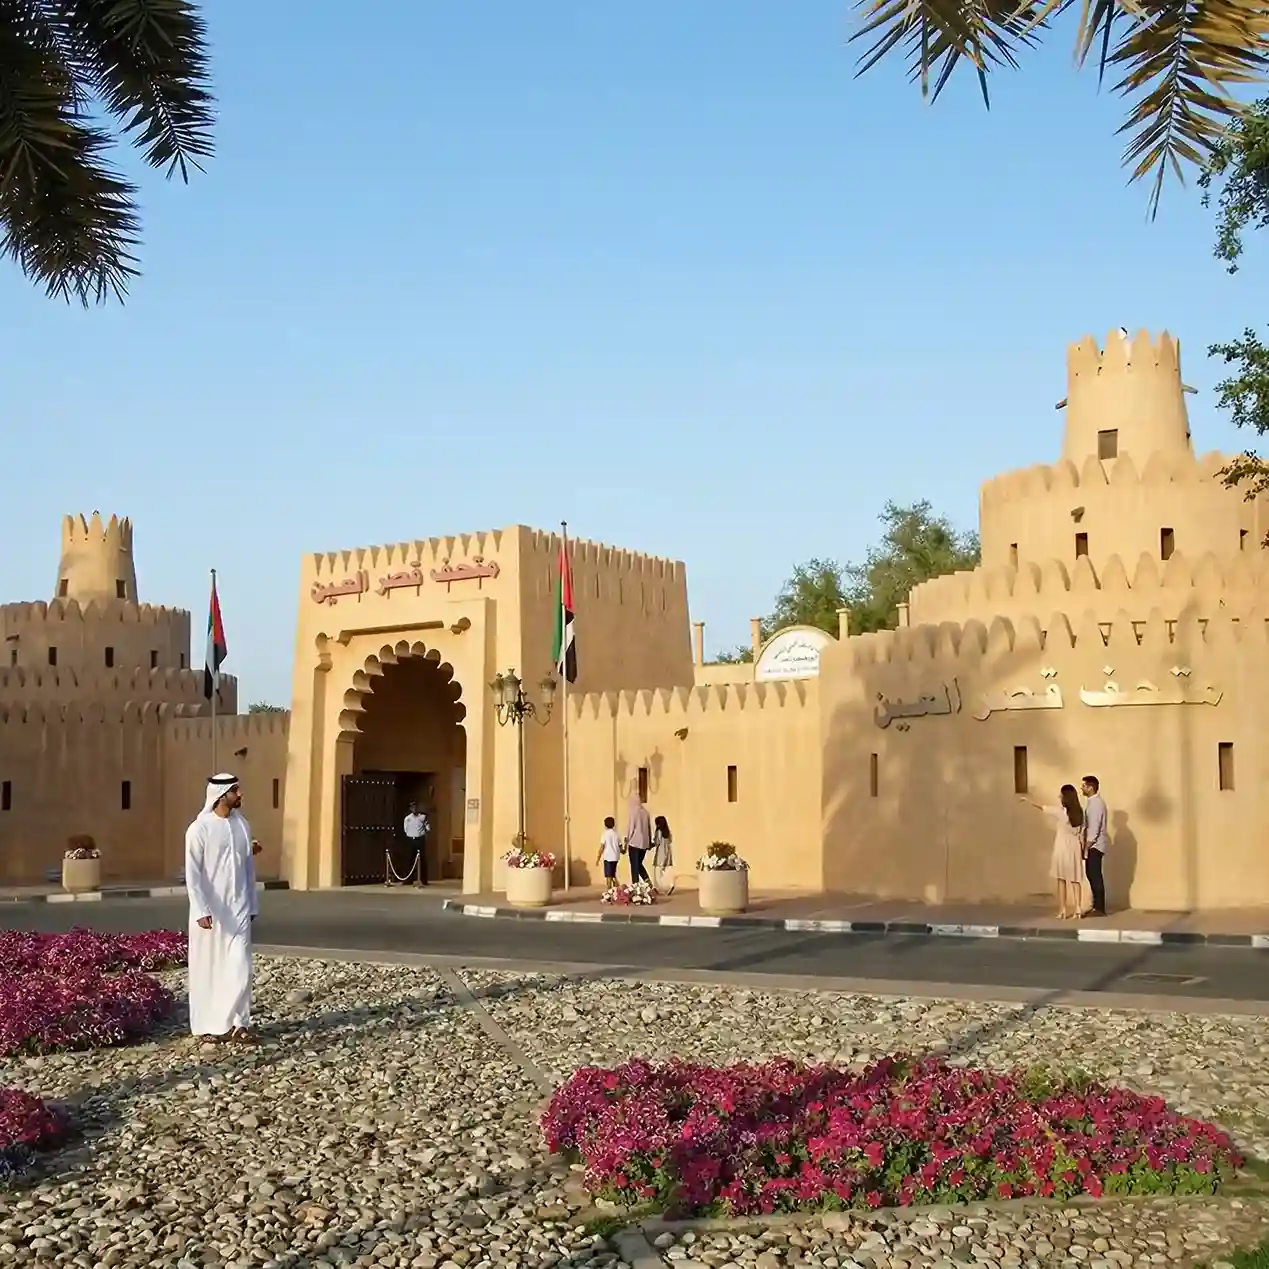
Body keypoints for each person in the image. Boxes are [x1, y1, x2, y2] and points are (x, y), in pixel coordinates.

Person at [185, 773, 259, 1045]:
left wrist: (252, 902)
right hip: (211, 913)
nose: (240, 795)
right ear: (221, 794)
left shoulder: (243, 826)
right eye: (235, 790)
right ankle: (210, 1025)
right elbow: (193, 874)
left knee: (242, 966)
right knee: (210, 968)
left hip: (239, 909)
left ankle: (238, 1022)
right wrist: (201, 909)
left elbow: (248, 869)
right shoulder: (199, 828)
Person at [1021, 784, 1085, 920]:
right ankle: (1078, 909)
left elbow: (1043, 808)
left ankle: (1062, 909)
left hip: (1062, 847)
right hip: (1074, 847)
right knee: (1075, 879)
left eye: (1061, 795)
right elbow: (1082, 834)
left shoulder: (1061, 812)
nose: (1059, 797)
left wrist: (1028, 801)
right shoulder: (1080, 813)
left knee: (1061, 879)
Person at [1081, 774, 1109, 917]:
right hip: (1093, 845)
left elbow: (1094, 827)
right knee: (1091, 874)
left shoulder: (1096, 804)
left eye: (1084, 786)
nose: (1082, 788)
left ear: (1091, 788)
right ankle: (1096, 905)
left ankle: (1100, 908)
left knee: (1095, 875)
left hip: (1095, 846)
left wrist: (1087, 846)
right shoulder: (1092, 803)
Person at [625, 792, 652, 885]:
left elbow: (631, 827)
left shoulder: (633, 812)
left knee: (634, 866)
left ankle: (635, 885)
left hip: (634, 842)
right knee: (639, 864)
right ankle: (647, 882)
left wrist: (627, 838)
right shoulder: (645, 812)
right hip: (644, 843)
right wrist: (649, 841)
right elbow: (649, 828)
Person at [402, 801, 430, 885]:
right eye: (412, 807)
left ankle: (423, 880)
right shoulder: (408, 818)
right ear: (410, 809)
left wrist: (424, 832)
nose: (414, 809)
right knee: (410, 860)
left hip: (420, 839)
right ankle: (408, 879)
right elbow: (405, 829)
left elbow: (428, 827)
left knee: (422, 860)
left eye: (416, 807)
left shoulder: (423, 817)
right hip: (411, 839)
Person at [597, 816, 622, 892]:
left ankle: (609, 891)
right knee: (613, 875)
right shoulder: (616, 834)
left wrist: (598, 858)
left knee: (608, 876)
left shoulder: (605, 834)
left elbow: (602, 847)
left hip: (608, 857)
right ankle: (618, 889)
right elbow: (621, 847)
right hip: (615, 857)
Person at [651, 815, 674, 895]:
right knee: (665, 870)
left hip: (661, 852)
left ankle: (661, 888)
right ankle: (669, 885)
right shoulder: (667, 832)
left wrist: (651, 843)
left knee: (657, 871)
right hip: (667, 852)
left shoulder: (659, 831)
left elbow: (657, 842)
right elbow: (670, 840)